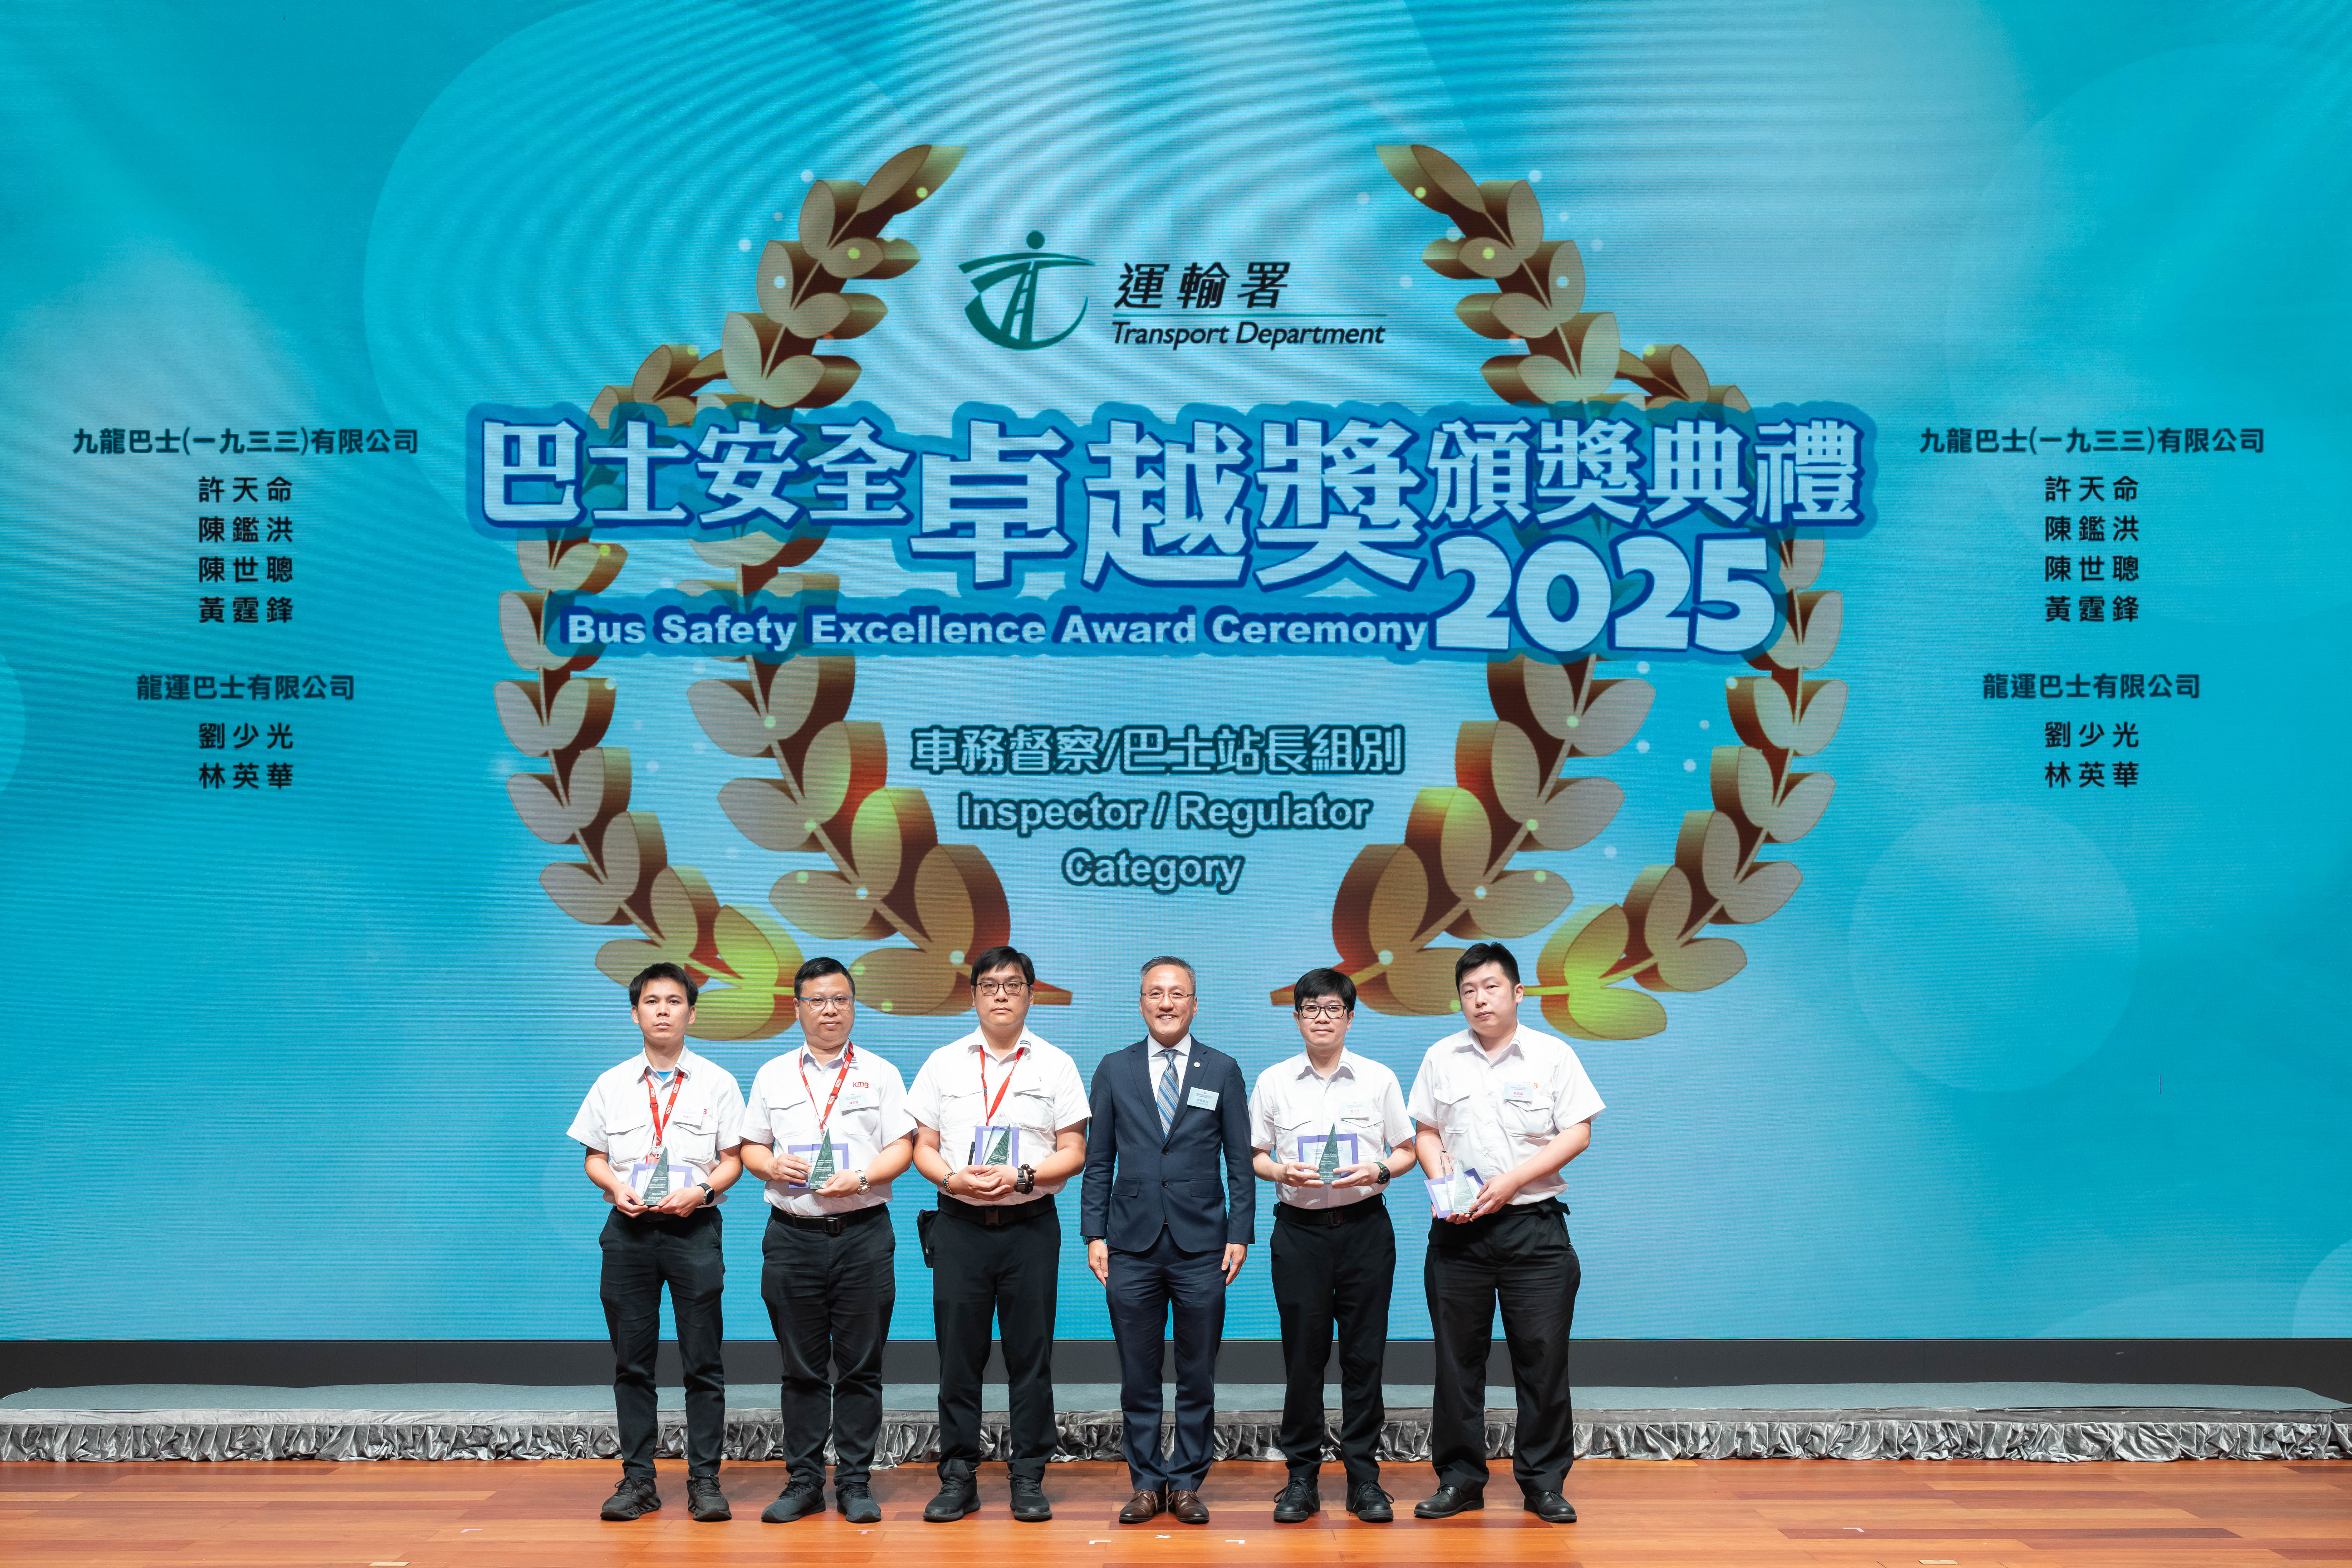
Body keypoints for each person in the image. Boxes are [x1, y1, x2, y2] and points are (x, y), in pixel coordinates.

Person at [1406, 941, 1604, 1525]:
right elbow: (1425, 1131)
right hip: (1459, 1233)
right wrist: (1443, 1181)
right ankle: (1460, 1479)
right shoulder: (1441, 1055)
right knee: (1456, 1363)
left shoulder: (1553, 1054)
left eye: (1491, 987)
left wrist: (1514, 1179)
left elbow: (1578, 1131)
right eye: (1468, 990)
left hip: (1534, 1230)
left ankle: (1543, 1482)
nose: (1480, 999)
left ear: (1517, 993)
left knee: (1542, 1361)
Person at [906, 945, 1090, 1524]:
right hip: (959, 1227)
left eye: (1013, 984)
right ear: (974, 995)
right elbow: (923, 1146)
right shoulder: (943, 1063)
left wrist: (1024, 1175)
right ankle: (958, 1476)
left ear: (1031, 994)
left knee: (1030, 1358)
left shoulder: (1056, 1064)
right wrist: (951, 1178)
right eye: (990, 985)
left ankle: (1028, 1475)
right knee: (958, 1359)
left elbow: (1075, 1150)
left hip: (1029, 1227)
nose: (1002, 994)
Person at [736, 956, 915, 1526]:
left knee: (861, 1367)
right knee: (802, 1368)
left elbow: (903, 1147)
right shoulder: (773, 1074)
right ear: (798, 1009)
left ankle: (856, 1482)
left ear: (853, 1006)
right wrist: (772, 1165)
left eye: (840, 999)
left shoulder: (881, 1073)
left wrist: (862, 1177)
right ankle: (805, 1481)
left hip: (863, 1235)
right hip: (793, 1237)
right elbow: (750, 1147)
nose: (829, 1009)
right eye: (817, 1000)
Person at [565, 962, 746, 1524]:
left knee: (704, 1363)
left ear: (691, 1012)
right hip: (629, 1233)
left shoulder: (718, 1081)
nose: (662, 1010)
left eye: (673, 1001)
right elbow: (595, 1156)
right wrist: (615, 1185)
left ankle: (705, 1481)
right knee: (632, 1363)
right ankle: (638, 1480)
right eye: (651, 1001)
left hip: (694, 1230)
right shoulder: (611, 1083)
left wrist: (702, 1191)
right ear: (635, 1013)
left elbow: (734, 1159)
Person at [1082, 956, 1254, 1527]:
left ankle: (1185, 1483)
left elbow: (1239, 1160)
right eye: (1155, 992)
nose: (1166, 1002)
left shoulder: (1222, 1068)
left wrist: (1240, 1232)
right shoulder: (1114, 1068)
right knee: (1138, 1373)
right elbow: (1099, 1159)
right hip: (1130, 1244)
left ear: (1194, 1004)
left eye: (1177, 993)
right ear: (1141, 1004)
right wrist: (1094, 1232)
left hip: (1203, 1244)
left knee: (1197, 1372)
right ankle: (1146, 1483)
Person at [1248, 967, 1417, 1524]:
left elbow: (1407, 1149)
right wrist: (1280, 1170)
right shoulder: (1274, 1080)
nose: (1322, 1018)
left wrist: (1379, 1168)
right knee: (1304, 1358)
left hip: (1365, 1229)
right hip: (1300, 1233)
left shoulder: (1378, 1078)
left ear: (1350, 1017)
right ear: (1297, 1017)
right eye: (1311, 1009)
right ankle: (1301, 1477)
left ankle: (1364, 1478)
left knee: (1364, 1356)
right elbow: (1255, 1154)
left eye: (1333, 1009)